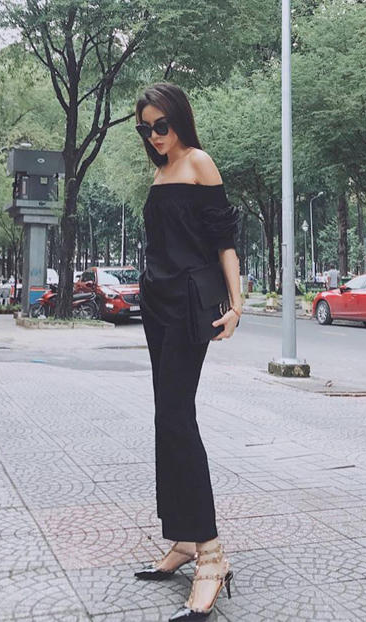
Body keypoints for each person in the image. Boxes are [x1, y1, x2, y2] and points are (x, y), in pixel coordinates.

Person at [133, 83, 239, 621]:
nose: (154, 136)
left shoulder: (199, 162)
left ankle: (211, 554)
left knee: (178, 417)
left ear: (178, 119)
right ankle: (182, 538)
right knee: (166, 417)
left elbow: (224, 240)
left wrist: (237, 305)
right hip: (157, 305)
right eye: (145, 128)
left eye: (161, 125)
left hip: (191, 303)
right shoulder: (160, 172)